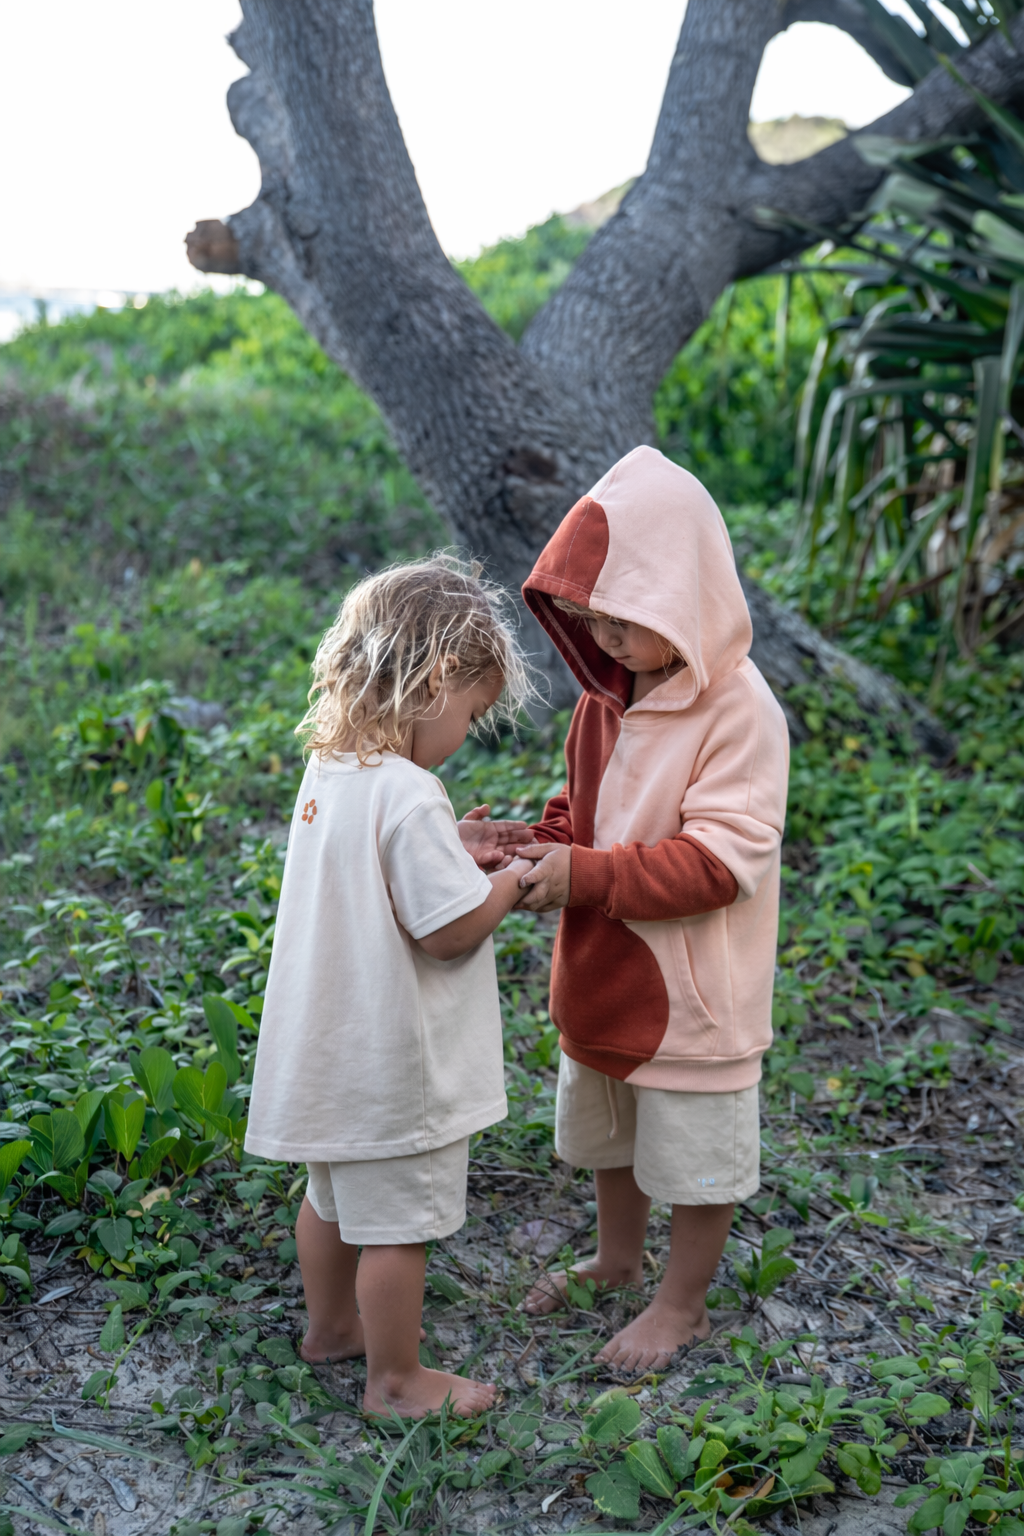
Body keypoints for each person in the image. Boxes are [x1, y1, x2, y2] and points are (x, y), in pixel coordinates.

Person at [512, 446, 790, 1374]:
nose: (609, 640)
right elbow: (580, 811)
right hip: (604, 975)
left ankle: (682, 1304)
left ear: (686, 596)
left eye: (626, 622)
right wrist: (528, 842)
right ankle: (618, 1257)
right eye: (590, 621)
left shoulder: (739, 713)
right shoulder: (605, 700)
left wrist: (580, 875)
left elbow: (717, 864)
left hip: (693, 995)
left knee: (693, 1150)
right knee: (615, 1130)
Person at [244, 555, 534, 1418]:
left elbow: (374, 878)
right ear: (438, 679)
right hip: (394, 1068)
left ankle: (332, 1328)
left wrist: (455, 847)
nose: (468, 733)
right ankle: (397, 1383)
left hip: (330, 1051)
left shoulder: (331, 775)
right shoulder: (411, 793)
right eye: (474, 713)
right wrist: (509, 885)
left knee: (328, 1200)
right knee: (397, 1227)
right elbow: (446, 933)